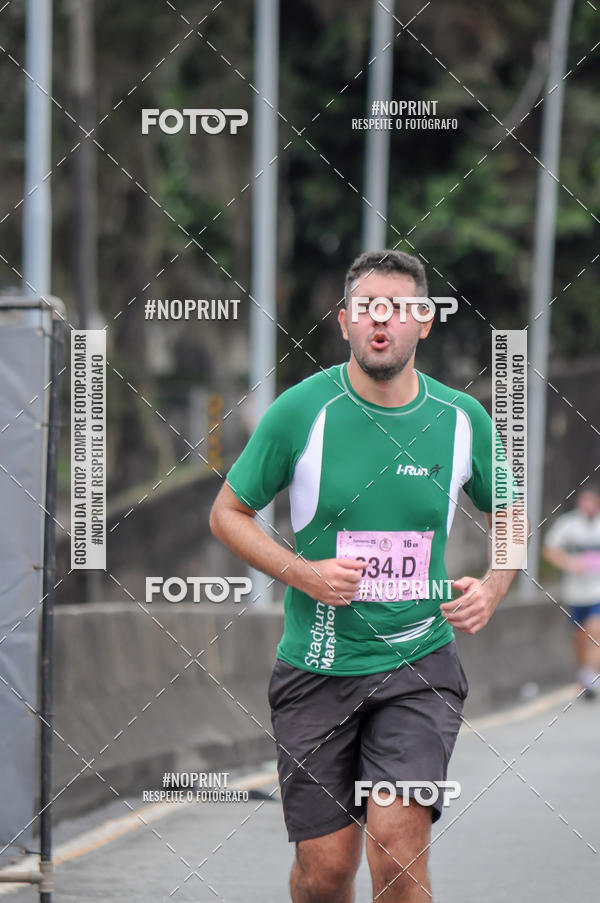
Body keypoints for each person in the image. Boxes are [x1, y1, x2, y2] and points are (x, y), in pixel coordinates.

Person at [210, 249, 523, 903]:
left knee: (397, 855)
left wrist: (493, 585)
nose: (382, 322)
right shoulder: (300, 412)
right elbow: (228, 513)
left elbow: (511, 512)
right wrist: (305, 572)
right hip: (317, 667)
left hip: (417, 667)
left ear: (424, 322)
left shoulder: (463, 418)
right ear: (345, 320)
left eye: (399, 309)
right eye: (367, 308)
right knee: (325, 873)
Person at [542, 486, 600, 700]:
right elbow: (549, 549)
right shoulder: (569, 524)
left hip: (597, 590)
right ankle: (583, 673)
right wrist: (569, 563)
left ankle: (590, 677)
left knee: (595, 630)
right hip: (575, 592)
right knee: (579, 637)